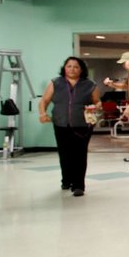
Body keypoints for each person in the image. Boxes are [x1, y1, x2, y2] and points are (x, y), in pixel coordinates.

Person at [38, 56, 101, 197]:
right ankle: (66, 179)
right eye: (69, 66)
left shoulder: (90, 85)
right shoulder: (56, 83)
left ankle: (78, 185)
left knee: (80, 154)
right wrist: (42, 114)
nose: (72, 69)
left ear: (81, 69)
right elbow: (44, 101)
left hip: (83, 125)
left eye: (76, 67)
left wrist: (95, 107)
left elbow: (97, 102)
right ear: (64, 68)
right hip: (61, 123)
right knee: (65, 153)